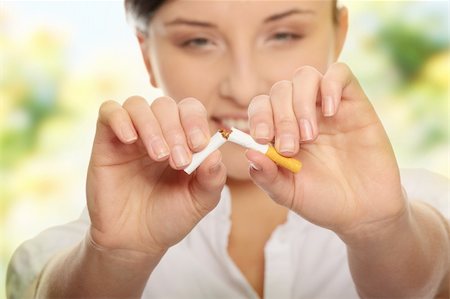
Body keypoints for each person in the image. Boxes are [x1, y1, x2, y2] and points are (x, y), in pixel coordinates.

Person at [7, 1, 449, 298]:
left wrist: (383, 233)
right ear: (146, 55)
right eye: (198, 41)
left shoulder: (422, 208)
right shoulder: (91, 247)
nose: (241, 87)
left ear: (340, 34)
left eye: (283, 35)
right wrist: (117, 259)